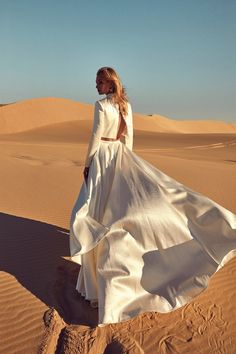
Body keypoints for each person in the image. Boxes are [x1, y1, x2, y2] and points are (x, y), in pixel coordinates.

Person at [70, 67, 236, 327]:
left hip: (102, 157)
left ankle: (98, 283)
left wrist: (89, 164)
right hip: (122, 158)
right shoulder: (126, 106)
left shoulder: (101, 106)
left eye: (98, 82)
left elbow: (94, 135)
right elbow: (129, 139)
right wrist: (128, 165)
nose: (95, 86)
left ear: (108, 82)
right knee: (113, 211)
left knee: (93, 213)